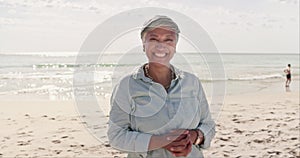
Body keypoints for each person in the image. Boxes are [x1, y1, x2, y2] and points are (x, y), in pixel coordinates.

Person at [107, 15, 215, 158]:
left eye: (168, 40)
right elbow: (116, 136)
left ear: (175, 45)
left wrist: (194, 137)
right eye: (153, 39)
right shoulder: (126, 86)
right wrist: (161, 142)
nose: (161, 45)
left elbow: (208, 125)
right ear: (143, 44)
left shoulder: (192, 82)